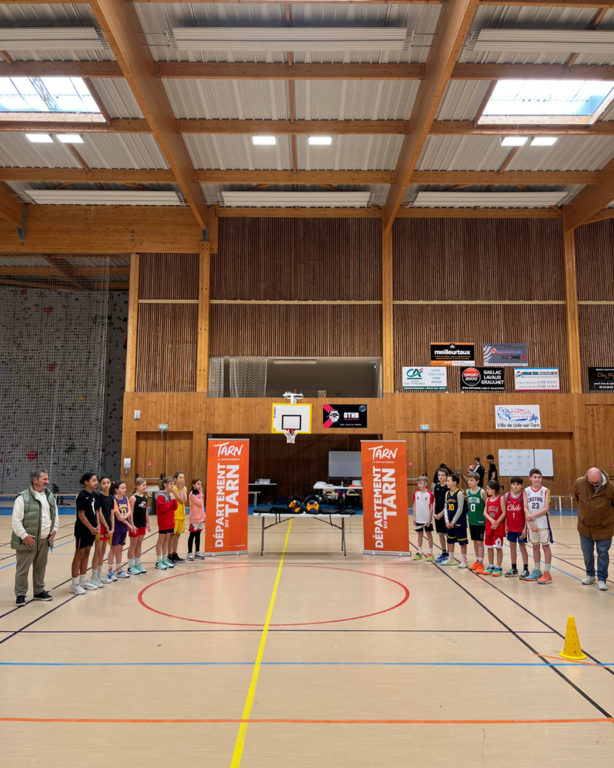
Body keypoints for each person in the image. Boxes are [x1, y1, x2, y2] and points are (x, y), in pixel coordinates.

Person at [11, 469, 59, 607]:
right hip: (28, 540)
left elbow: (55, 515)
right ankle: (20, 594)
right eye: (44, 479)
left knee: (40, 568)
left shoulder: (49, 496)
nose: (47, 482)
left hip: (45, 539)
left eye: (47, 479)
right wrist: (24, 536)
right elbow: (16, 521)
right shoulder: (22, 498)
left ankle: (39, 591)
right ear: (35, 480)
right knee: (23, 569)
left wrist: (54, 529)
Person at [572, 467, 614, 591]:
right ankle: (590, 575)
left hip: (605, 527)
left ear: (601, 477)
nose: (594, 484)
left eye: (597, 482)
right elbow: (576, 497)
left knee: (603, 553)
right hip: (585, 526)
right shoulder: (579, 483)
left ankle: (602, 579)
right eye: (591, 482)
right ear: (587, 477)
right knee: (587, 553)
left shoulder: (611, 487)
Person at [70, 472, 101, 595]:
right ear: (86, 482)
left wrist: (97, 525)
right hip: (82, 530)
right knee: (79, 554)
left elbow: (96, 512)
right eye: (93, 480)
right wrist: (91, 528)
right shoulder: (82, 496)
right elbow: (81, 515)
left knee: (87, 553)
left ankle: (83, 580)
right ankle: (74, 584)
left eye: (96, 480)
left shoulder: (95, 495)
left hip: (92, 530)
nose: (96, 482)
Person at [523, 468, 553, 585]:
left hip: (542, 523)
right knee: (535, 547)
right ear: (530, 478)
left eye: (539, 477)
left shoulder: (545, 490)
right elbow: (525, 508)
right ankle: (537, 571)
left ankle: (547, 573)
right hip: (531, 524)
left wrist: (532, 516)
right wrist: (530, 522)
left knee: (545, 546)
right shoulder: (526, 491)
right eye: (535, 477)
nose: (537, 479)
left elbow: (546, 509)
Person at [108, 480, 136, 580]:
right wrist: (129, 524)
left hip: (123, 528)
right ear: (116, 490)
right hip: (116, 528)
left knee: (120, 549)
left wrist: (125, 518)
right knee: (113, 549)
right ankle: (109, 571)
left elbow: (129, 511)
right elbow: (118, 515)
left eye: (125, 488)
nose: (125, 490)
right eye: (122, 488)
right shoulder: (113, 500)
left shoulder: (125, 498)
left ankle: (118, 569)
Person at [504, 477, 529, 579]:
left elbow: (527, 514)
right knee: (512, 547)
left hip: (521, 527)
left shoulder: (523, 497)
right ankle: (514, 568)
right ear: (511, 485)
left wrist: (525, 528)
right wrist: (506, 526)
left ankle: (526, 569)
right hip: (511, 527)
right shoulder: (507, 496)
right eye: (513, 484)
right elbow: (505, 513)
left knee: (522, 547)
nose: (515, 486)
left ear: (522, 486)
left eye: (518, 484)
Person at [92, 475, 114, 586]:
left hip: (108, 528)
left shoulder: (111, 498)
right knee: (98, 551)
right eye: (104, 483)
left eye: (108, 483)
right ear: (100, 485)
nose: (106, 485)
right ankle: (94, 577)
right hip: (101, 527)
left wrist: (112, 528)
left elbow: (111, 514)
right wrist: (106, 527)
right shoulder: (98, 496)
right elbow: (99, 514)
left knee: (103, 551)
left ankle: (99, 575)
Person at [442, 474, 468, 568]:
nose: (447, 483)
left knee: (462, 542)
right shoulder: (447, 493)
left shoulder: (459, 494)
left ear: (454, 483)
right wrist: (446, 520)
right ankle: (451, 558)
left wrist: (453, 521)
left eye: (448, 481)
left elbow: (460, 509)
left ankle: (464, 560)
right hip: (449, 522)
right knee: (450, 541)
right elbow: (445, 508)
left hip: (459, 522)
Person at [483, 481, 506, 577]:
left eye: (488, 489)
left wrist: (496, 522)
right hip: (489, 526)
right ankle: (491, 566)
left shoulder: (501, 499)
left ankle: (498, 567)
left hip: (498, 526)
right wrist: (491, 520)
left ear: (494, 490)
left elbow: (504, 512)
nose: (487, 490)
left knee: (498, 547)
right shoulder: (488, 500)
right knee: (489, 547)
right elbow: (485, 512)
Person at [156, 476, 179, 570]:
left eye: (173, 484)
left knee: (166, 540)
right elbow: (163, 508)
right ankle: (158, 561)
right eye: (170, 484)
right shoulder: (160, 495)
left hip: (170, 522)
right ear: (165, 485)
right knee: (161, 540)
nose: (172, 486)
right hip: (163, 522)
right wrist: (171, 501)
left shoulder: (170, 494)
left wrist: (174, 499)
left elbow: (175, 507)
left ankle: (165, 558)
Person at [127, 478, 150, 575]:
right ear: (137, 486)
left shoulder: (145, 497)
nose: (145, 487)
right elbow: (130, 513)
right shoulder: (133, 498)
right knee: (133, 545)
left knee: (139, 544)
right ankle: (130, 566)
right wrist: (132, 525)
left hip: (142, 525)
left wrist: (148, 523)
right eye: (143, 485)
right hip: (135, 525)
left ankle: (137, 563)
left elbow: (146, 511)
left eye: (145, 485)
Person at [466, 472, 487, 573]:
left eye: (472, 480)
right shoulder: (468, 492)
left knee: (480, 542)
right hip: (472, 520)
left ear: (477, 481)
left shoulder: (482, 492)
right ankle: (477, 560)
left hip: (480, 520)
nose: (469, 482)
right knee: (474, 541)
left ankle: (481, 563)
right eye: (469, 480)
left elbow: (487, 504)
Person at [412, 476, 434, 562]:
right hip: (419, 518)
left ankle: (430, 553)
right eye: (418, 483)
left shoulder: (429, 494)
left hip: (427, 519)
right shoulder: (416, 493)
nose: (419, 485)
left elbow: (431, 507)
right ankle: (419, 552)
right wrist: (414, 517)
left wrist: (429, 519)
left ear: (426, 484)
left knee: (429, 534)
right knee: (420, 534)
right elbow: (414, 505)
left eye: (420, 483)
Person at [431, 468, 450, 564]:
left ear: (446, 476)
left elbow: (448, 502)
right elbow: (435, 500)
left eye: (443, 475)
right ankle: (444, 552)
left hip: (445, 514)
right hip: (437, 513)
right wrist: (434, 512)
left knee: (447, 535)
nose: (440, 477)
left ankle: (450, 554)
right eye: (439, 475)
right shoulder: (436, 486)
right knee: (440, 534)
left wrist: (442, 513)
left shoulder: (448, 487)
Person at [169, 471, 188, 563]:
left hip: (182, 515)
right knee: (172, 535)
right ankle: (169, 555)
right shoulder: (173, 488)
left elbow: (184, 500)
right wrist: (180, 490)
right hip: (174, 515)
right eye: (180, 478)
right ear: (175, 479)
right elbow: (180, 500)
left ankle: (174, 553)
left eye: (183, 478)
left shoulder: (185, 488)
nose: (182, 479)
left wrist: (182, 489)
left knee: (177, 535)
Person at [187, 478, 206, 561]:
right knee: (192, 535)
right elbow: (199, 503)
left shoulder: (200, 494)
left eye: (200, 484)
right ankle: (189, 553)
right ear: (193, 485)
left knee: (198, 535)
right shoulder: (191, 494)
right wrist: (201, 494)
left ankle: (197, 552)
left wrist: (203, 515)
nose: (199, 486)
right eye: (198, 484)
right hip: (194, 518)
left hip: (200, 518)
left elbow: (202, 506)